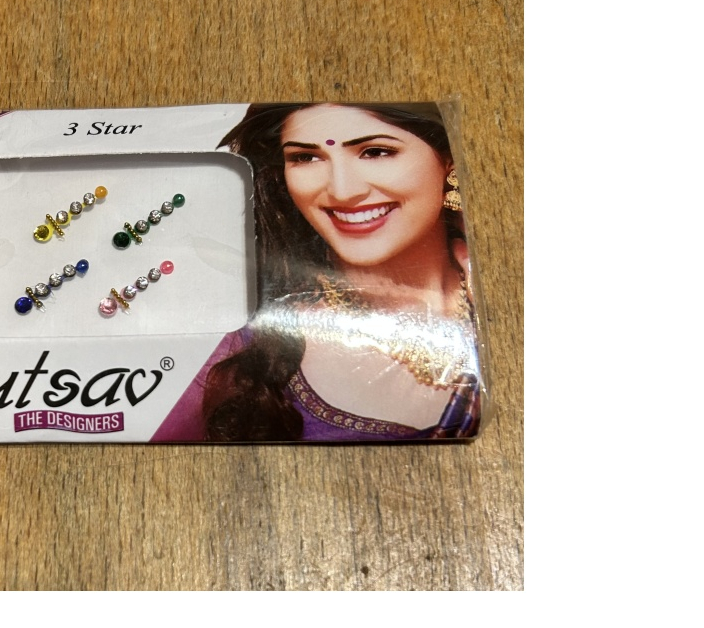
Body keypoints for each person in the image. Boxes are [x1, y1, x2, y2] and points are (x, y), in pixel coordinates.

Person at [153, 103, 482, 442]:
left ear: (448, 159)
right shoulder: (247, 345)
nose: (342, 191)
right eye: (306, 157)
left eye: (375, 152)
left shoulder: (500, 299)